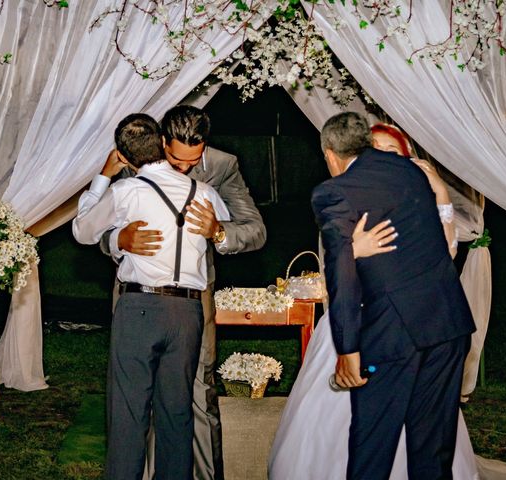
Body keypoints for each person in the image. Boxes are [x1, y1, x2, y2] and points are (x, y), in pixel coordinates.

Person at [269, 114, 476, 479]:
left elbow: (341, 277)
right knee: (433, 449)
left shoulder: (333, 192)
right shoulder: (409, 172)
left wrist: (348, 351)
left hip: (393, 332)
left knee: (372, 446)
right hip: (447, 323)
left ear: (330, 154)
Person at [101, 105, 266, 480]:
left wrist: (219, 232)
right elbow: (99, 226)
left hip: (192, 298)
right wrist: (116, 240)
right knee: (128, 401)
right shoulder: (137, 158)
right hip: (136, 294)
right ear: (161, 143)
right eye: (175, 158)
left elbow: (255, 229)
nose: (183, 169)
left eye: (192, 161)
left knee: (195, 393)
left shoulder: (223, 166)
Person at [73, 113, 230, 479]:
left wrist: (103, 177)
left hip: (140, 309)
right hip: (188, 313)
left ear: (124, 158)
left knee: (129, 412)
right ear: (163, 143)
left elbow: (82, 231)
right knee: (177, 413)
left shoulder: (125, 191)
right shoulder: (204, 193)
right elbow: (218, 224)